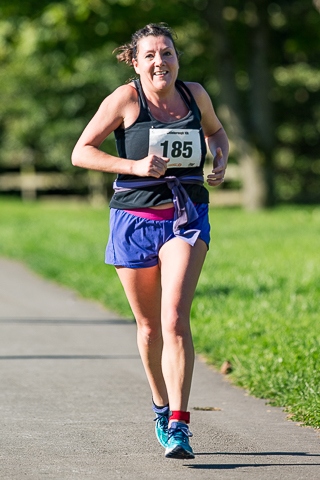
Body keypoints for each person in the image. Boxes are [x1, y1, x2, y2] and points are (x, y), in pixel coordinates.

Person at [72, 23, 229, 459]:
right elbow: (81, 151)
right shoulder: (125, 99)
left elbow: (217, 133)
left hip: (186, 217)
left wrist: (220, 158)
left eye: (168, 53)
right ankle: (161, 408)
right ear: (136, 62)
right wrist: (136, 166)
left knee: (175, 318)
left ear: (177, 58)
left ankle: (179, 425)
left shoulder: (195, 95)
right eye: (151, 56)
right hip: (134, 219)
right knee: (148, 328)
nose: (161, 62)